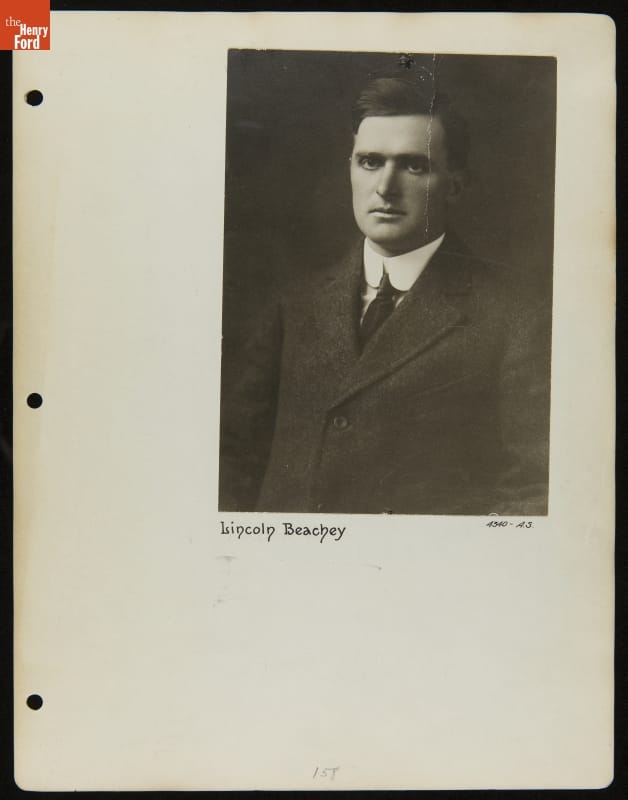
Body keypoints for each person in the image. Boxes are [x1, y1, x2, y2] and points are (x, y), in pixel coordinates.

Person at [219, 77, 551, 515]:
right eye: (371, 162)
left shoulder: (515, 316)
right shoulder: (293, 303)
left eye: (414, 166)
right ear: (350, 170)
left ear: (454, 185)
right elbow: (233, 463)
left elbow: (533, 495)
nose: (385, 187)